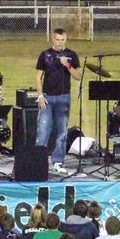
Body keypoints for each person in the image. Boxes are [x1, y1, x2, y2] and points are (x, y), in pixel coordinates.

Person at [34, 27, 82, 174]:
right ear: (52, 39)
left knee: (62, 132)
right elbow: (38, 77)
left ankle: (58, 162)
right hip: (47, 97)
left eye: (62, 40)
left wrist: (67, 65)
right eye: (57, 39)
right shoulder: (45, 55)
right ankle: (38, 162)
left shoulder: (71, 55)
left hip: (63, 97)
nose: (60, 43)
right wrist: (40, 96)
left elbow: (78, 76)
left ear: (65, 39)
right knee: (43, 130)